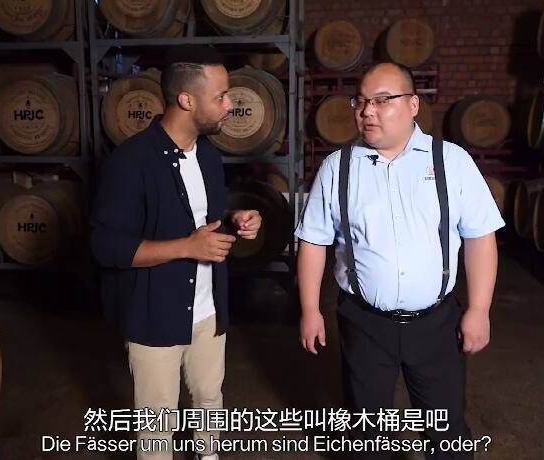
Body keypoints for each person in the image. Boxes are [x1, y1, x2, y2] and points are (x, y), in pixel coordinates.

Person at [295, 62, 503, 460]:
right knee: (366, 434)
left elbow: (480, 237)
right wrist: (309, 309)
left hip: (436, 324)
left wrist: (479, 310)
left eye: (382, 101)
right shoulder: (337, 167)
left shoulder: (451, 161)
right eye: (361, 101)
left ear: (412, 105)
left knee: (447, 433)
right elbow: (313, 241)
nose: (367, 111)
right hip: (365, 322)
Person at [90, 45, 262, 460]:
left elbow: (206, 218)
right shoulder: (130, 162)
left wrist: (235, 219)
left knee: (209, 398)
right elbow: (107, 246)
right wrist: (187, 246)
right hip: (155, 313)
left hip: (209, 309)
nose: (229, 104)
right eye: (220, 96)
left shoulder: (209, 155)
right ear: (187, 100)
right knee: (156, 423)